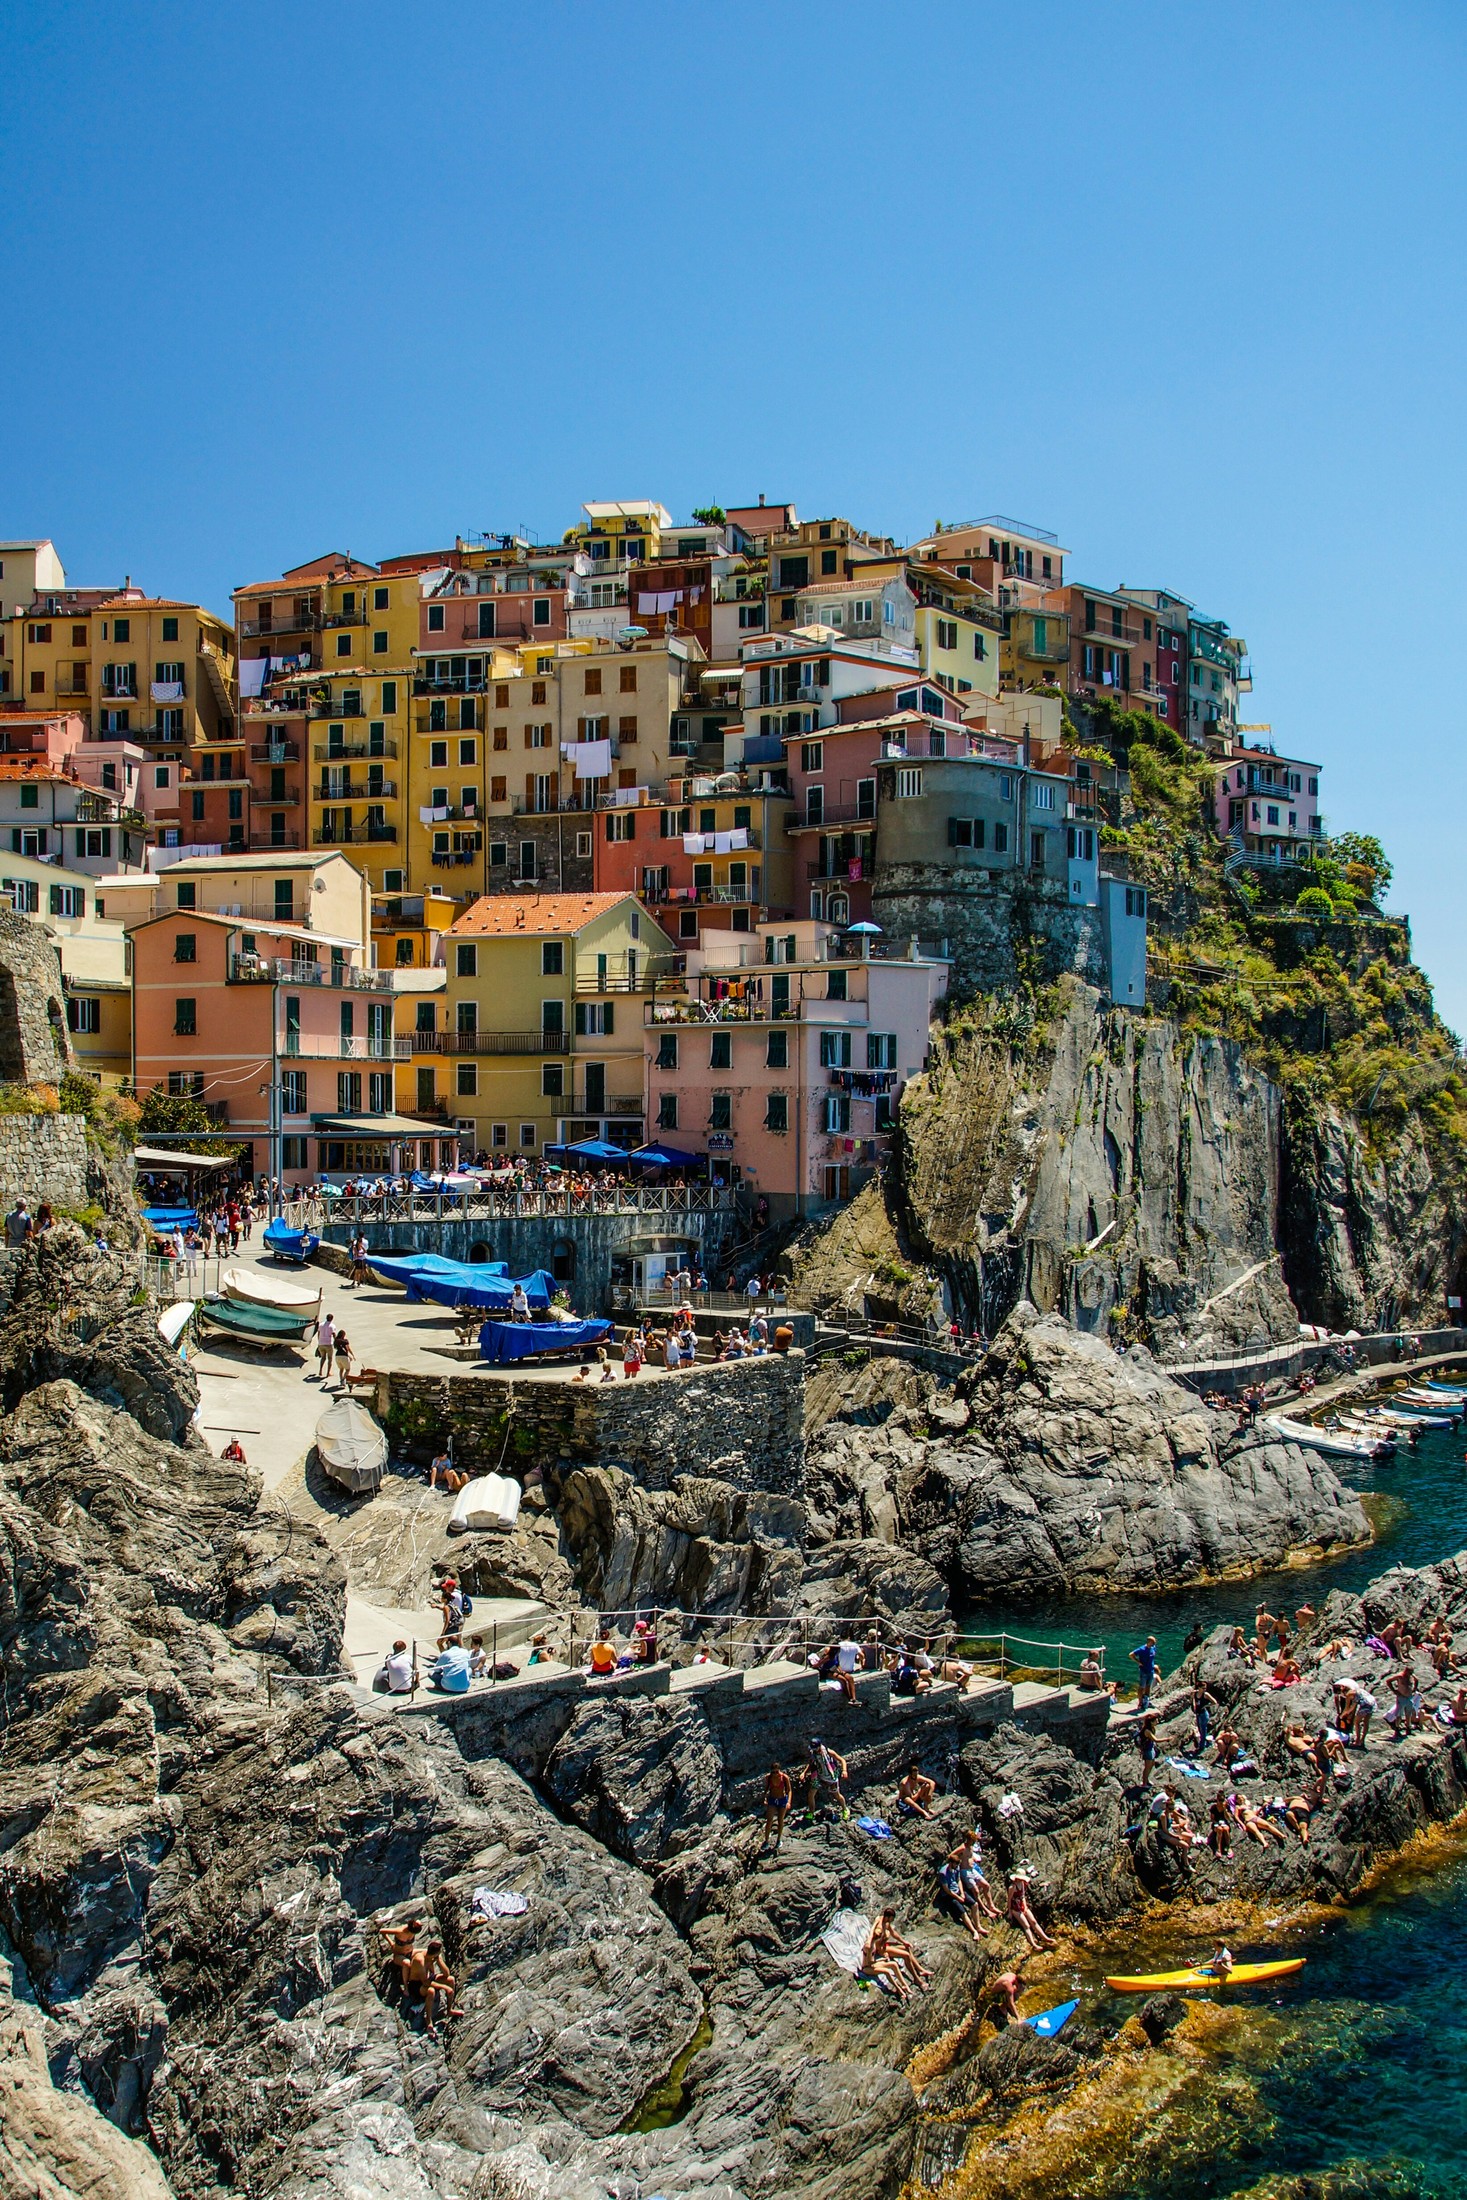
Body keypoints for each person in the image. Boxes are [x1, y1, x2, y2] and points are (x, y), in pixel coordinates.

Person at [420, 1940, 462, 2036]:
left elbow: (446, 1973)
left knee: (451, 1979)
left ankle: (449, 2010)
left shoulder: (433, 1958)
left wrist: (438, 1960)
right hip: (419, 1984)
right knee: (431, 1991)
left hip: (429, 1978)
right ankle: (429, 2020)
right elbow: (425, 1982)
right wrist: (444, 1987)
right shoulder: (422, 1961)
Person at [1006, 1874, 1055, 1951]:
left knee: (1033, 1921)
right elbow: (1009, 1900)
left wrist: (1025, 1907)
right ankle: (1034, 1945)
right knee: (1026, 1925)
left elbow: (1022, 1896)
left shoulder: (1022, 1884)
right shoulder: (1012, 1887)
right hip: (1015, 1908)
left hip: (1022, 1905)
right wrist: (1009, 1912)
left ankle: (1045, 1938)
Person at [808, 1737, 849, 1817]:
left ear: (819, 1746)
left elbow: (842, 1760)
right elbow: (811, 1763)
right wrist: (804, 1773)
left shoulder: (828, 1752)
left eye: (815, 1748)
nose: (814, 1750)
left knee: (837, 1795)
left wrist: (844, 1770)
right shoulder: (813, 1753)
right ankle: (811, 1813)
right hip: (818, 1776)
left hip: (831, 1777)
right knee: (811, 1794)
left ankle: (845, 1809)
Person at [762, 1762, 792, 1853]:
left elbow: (789, 1790)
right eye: (773, 1772)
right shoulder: (769, 1777)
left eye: (777, 1772)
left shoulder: (784, 1777)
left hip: (782, 1800)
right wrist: (764, 1798)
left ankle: (779, 1840)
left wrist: (788, 1802)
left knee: (780, 1820)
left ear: (779, 1770)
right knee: (769, 1820)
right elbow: (766, 1788)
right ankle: (766, 1841)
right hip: (772, 1799)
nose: (775, 1774)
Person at [1130, 1635, 1159, 1711]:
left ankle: (1146, 1701)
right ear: (1149, 1642)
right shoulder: (1142, 1649)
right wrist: (1138, 1662)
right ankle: (1140, 1702)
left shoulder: (1153, 1648)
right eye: (1153, 1642)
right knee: (1141, 1687)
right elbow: (1131, 1655)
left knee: (1148, 1686)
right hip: (1144, 1671)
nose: (1154, 1643)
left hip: (1151, 1670)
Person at [436, 1576, 464, 1650]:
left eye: (446, 1587)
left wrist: (443, 1632)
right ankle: (461, 1654)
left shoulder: (453, 1596)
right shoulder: (457, 1595)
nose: (445, 1589)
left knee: (439, 1642)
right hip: (456, 1623)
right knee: (458, 1640)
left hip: (451, 1625)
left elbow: (447, 1620)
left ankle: (445, 1655)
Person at [1192, 1681, 1219, 1754]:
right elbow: (1194, 1699)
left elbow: (1214, 1702)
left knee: (1203, 1730)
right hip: (1198, 1714)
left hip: (1203, 1714)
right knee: (1200, 1729)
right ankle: (1204, 1742)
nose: (1204, 1689)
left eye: (1205, 1688)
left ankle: (1202, 1747)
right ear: (1199, 1688)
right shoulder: (1195, 1693)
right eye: (1203, 1688)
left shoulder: (1206, 1694)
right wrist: (1194, 1705)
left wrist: (1206, 1706)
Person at [314, 1312, 336, 1383]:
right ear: (332, 1319)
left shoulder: (321, 1325)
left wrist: (319, 1342)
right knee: (330, 1359)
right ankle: (328, 1373)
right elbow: (334, 1334)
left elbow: (318, 1333)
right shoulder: (332, 1326)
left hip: (321, 1343)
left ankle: (320, 1370)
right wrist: (336, 1341)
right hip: (329, 1343)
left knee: (323, 1358)